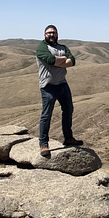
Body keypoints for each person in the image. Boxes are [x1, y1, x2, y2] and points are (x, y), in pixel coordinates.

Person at [36, 25, 83, 157]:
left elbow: (72, 61)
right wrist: (62, 60)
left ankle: (68, 138)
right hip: (48, 86)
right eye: (49, 33)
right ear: (44, 35)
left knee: (68, 110)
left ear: (57, 34)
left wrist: (58, 61)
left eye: (53, 33)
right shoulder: (41, 48)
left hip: (62, 84)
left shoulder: (63, 47)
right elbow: (51, 60)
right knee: (46, 115)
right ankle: (43, 144)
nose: (51, 35)